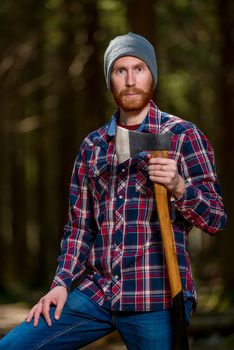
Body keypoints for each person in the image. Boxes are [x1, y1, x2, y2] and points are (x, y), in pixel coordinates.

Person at [0, 32, 226, 350]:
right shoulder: (93, 146)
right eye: (121, 70)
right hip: (97, 292)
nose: (131, 80)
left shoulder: (182, 136)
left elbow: (216, 219)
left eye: (139, 68)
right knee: (14, 346)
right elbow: (80, 228)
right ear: (110, 80)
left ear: (152, 76)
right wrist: (61, 283)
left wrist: (179, 187)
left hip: (156, 294)